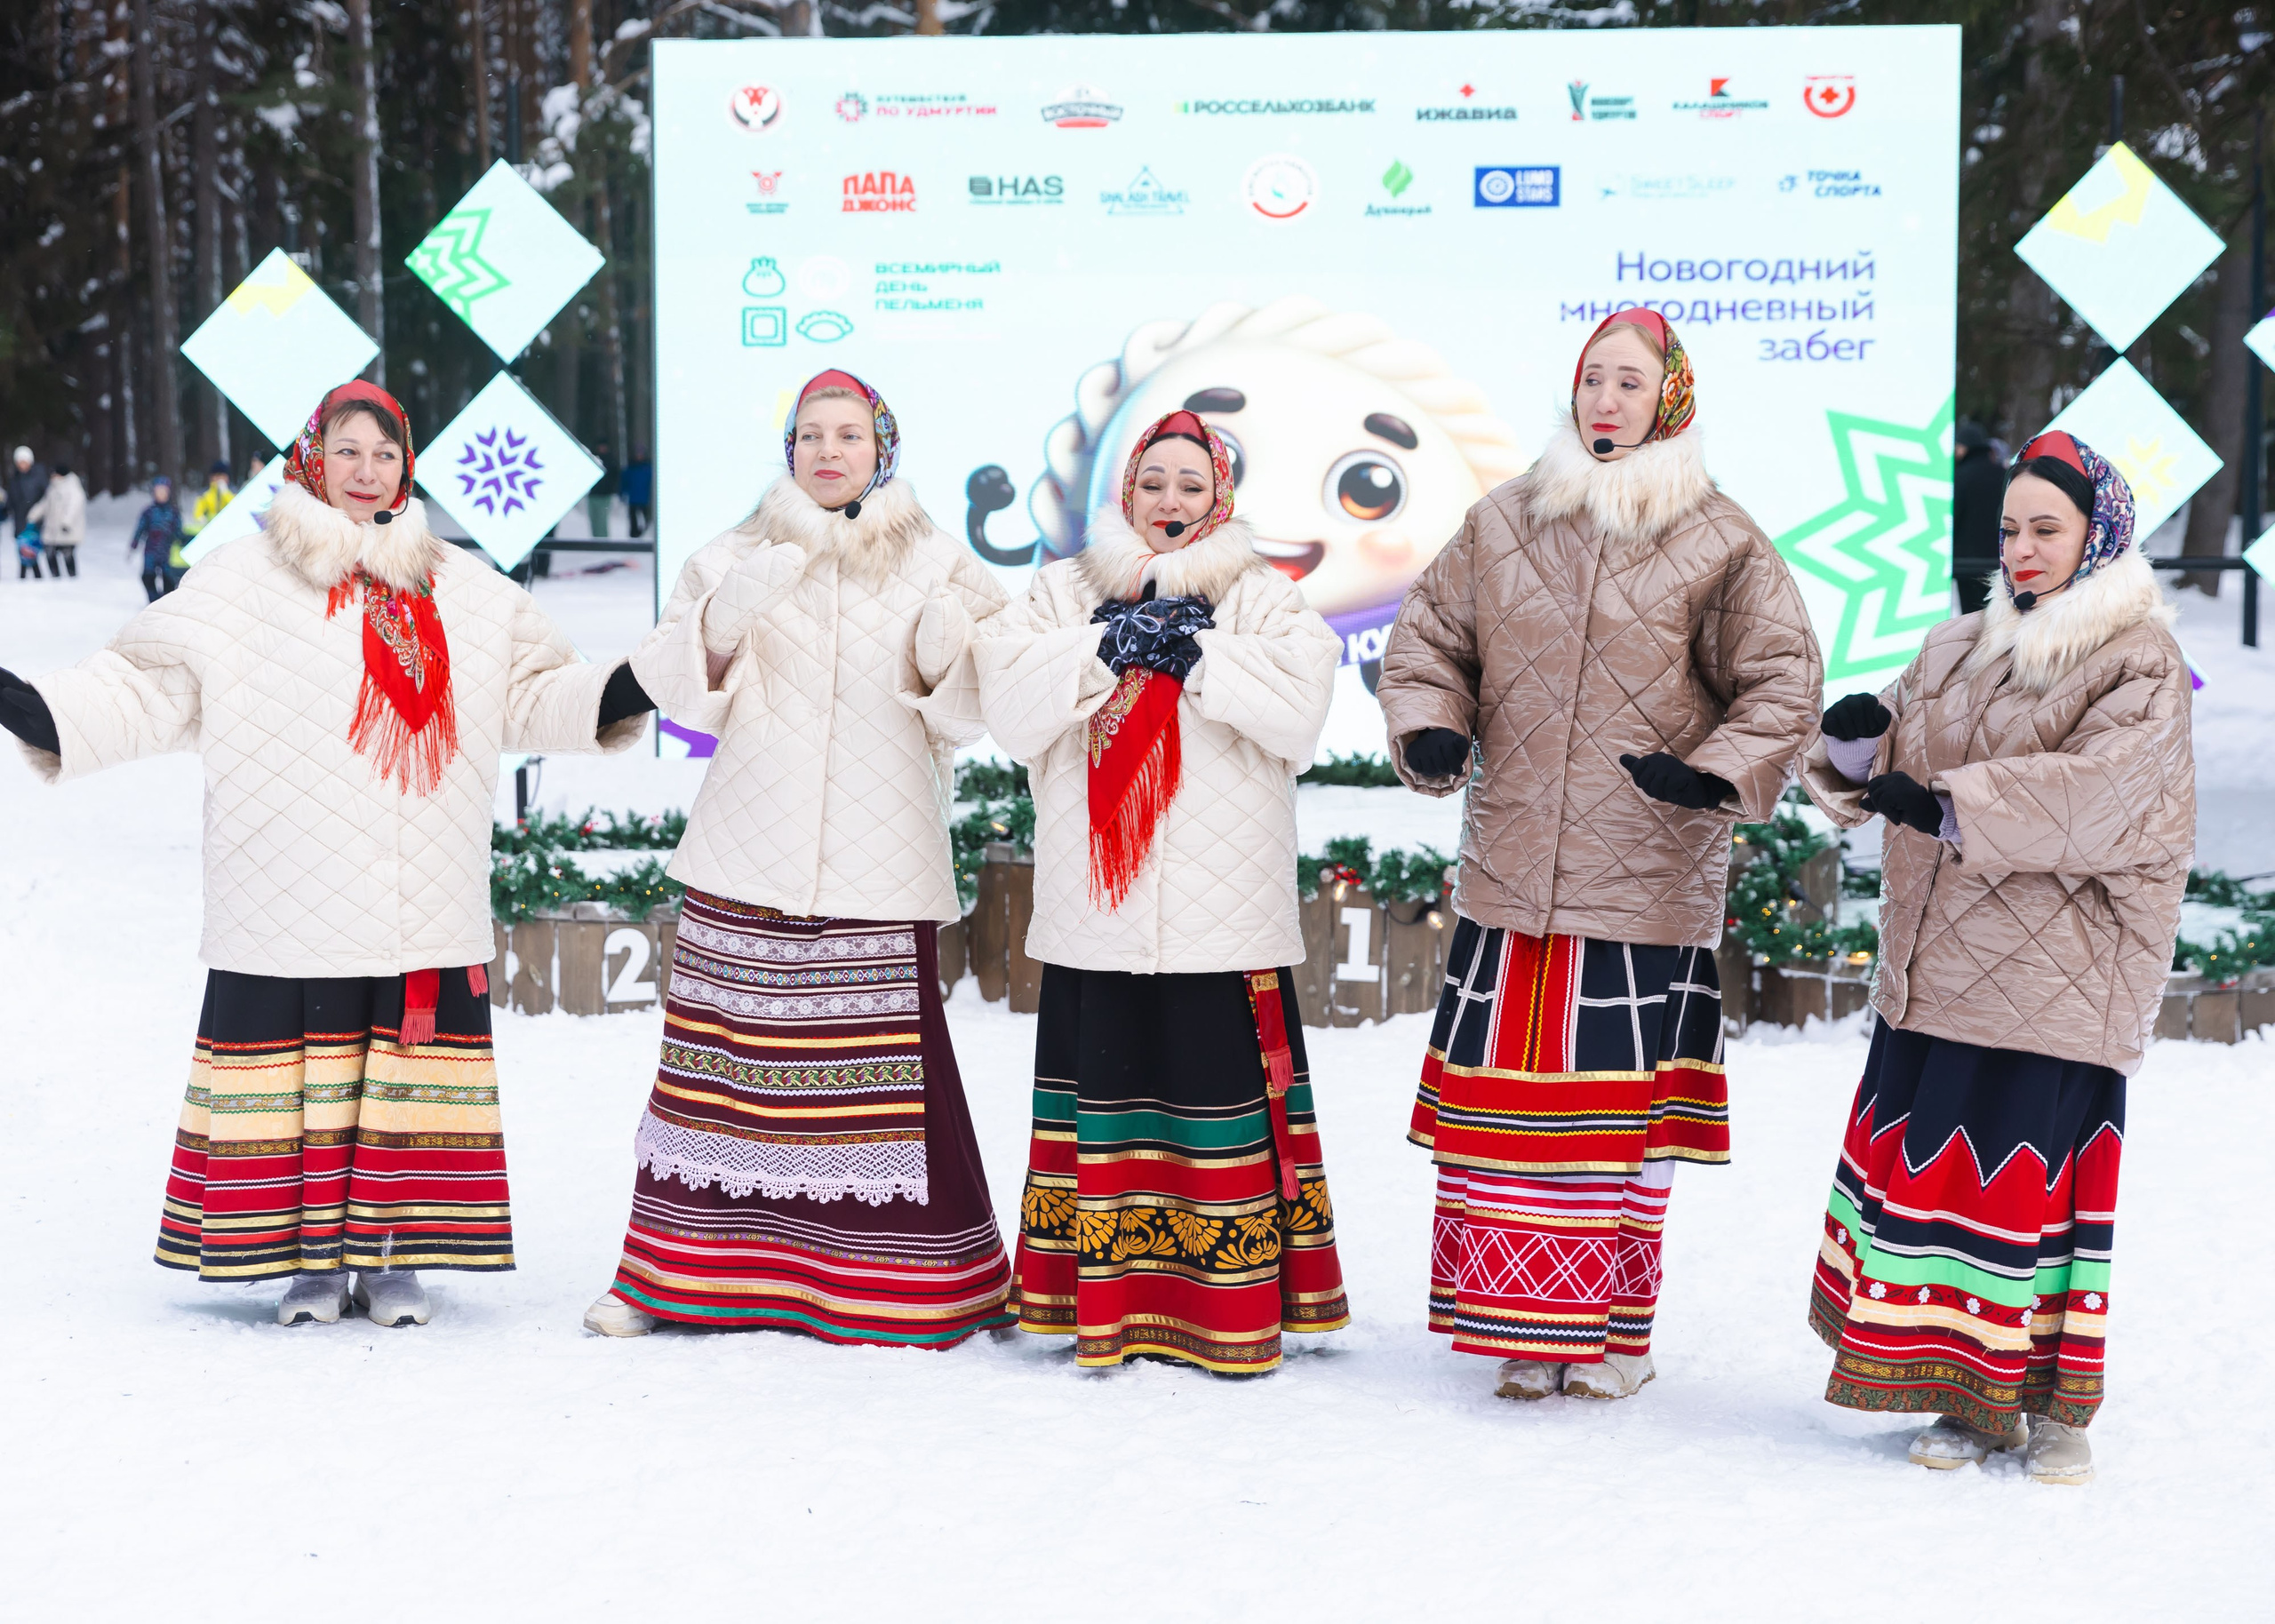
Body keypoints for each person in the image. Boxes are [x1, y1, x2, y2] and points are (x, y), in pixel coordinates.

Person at [0, 380, 655, 1330]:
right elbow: (147, 687)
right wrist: (42, 708)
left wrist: (626, 686)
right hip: (285, 883)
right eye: (346, 450)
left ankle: (395, 1256)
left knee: (402, 1072)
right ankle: (303, 1259)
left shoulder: (462, 588)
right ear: (310, 458)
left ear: (406, 467)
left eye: (383, 453)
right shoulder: (238, 581)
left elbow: (535, 691)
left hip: (418, 885)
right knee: (299, 1067)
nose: (366, 470)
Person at [1378, 307, 1823, 1402]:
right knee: (1506, 1124)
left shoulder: (1719, 536)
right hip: (1514, 873)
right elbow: (1430, 636)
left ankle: (1617, 1333)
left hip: (1644, 881)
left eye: (1629, 382)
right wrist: (1430, 721)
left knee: (1616, 1128)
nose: (1606, 399)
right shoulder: (1504, 520)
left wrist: (1713, 769)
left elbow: (1783, 677)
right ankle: (1522, 1330)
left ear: (1669, 398)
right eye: (1592, 380)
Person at [584, 369, 1014, 1349]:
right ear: (789, 451)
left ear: (883, 449)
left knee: (882, 1086)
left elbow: (981, 711)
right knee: (716, 1077)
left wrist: (955, 655)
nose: (829, 449)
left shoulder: (939, 560)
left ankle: (905, 1283)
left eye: (849, 434)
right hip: (747, 846)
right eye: (811, 434)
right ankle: (667, 1279)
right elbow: (685, 705)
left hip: (881, 854)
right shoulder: (729, 553)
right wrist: (721, 624)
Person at [1798, 431, 2190, 1487]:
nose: (2020, 548)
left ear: (2097, 534)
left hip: (2053, 981)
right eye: (2010, 528)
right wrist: (1848, 748)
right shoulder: (1953, 644)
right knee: (1946, 1199)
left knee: (2026, 1201)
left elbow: (2102, 796)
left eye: (2045, 529)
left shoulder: (2137, 660)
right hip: (1939, 968)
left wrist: (1947, 805)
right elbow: (1891, 759)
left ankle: (2049, 1412)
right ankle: (1957, 1395)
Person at [973, 410, 1351, 1375]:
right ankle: (1091, 1303)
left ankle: (1223, 1311)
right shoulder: (1060, 591)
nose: (1170, 502)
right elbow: (1010, 712)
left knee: (1208, 1110)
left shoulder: (1260, 597)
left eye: (1190, 484)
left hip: (1220, 920)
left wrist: (1199, 656)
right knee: (1102, 1102)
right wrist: (1104, 649)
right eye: (1153, 484)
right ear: (1125, 493)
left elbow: (1300, 715)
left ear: (1219, 497)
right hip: (1097, 913)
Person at [1950, 419, 2004, 615]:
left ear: (1964, 447)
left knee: (1969, 620)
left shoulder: (1959, 476)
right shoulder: (2003, 475)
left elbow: (1953, 517)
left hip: (1965, 563)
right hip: (1997, 561)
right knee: (1994, 616)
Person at [129, 477, 184, 601]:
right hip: (151, 549)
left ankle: (167, 601)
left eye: (164, 491)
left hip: (168, 551)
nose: (161, 494)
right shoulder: (148, 512)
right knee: (147, 576)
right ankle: (153, 600)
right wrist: (134, 543)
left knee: (169, 578)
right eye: (158, 491)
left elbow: (179, 531)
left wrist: (182, 539)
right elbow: (140, 528)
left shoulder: (173, 512)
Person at [28, 461, 86, 577]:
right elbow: (45, 504)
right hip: (52, 529)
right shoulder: (53, 487)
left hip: (67, 530)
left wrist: (66, 522)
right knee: (49, 553)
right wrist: (33, 515)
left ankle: (72, 577)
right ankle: (56, 577)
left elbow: (74, 507)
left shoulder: (73, 487)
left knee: (67, 555)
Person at [185, 460, 234, 542]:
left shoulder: (233, 493)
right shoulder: (204, 495)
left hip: (229, 533)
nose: (220, 479)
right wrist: (203, 521)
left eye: (223, 476)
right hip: (211, 535)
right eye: (217, 476)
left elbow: (236, 508)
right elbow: (197, 514)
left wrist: (225, 493)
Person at [587, 441, 618, 538]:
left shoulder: (611, 461)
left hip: (605, 495)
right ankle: (595, 538)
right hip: (593, 494)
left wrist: (612, 489)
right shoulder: (593, 459)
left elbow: (615, 477)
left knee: (602, 519)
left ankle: (603, 539)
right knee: (593, 518)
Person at [621, 448, 653, 539]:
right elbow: (625, 482)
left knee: (645, 516)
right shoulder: (630, 467)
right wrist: (623, 493)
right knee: (633, 516)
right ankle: (634, 533)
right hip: (633, 497)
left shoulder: (648, 468)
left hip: (645, 497)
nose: (639, 456)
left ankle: (645, 532)